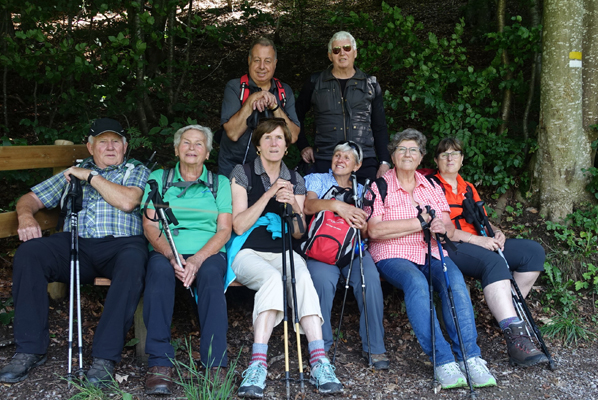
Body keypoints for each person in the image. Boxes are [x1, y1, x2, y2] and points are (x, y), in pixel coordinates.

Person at [0, 118, 149, 386]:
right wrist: (25, 217)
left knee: (134, 262)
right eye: (103, 141)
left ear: (125, 146)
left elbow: (128, 201)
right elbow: (31, 198)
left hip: (122, 244)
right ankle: (30, 349)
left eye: (116, 141)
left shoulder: (135, 170)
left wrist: (91, 177)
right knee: (30, 254)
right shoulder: (73, 171)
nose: (110, 147)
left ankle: (105, 357)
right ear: (90, 147)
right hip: (75, 243)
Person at [366, 129, 496, 389]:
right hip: (392, 254)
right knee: (416, 283)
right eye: (402, 149)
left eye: (413, 149)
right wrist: (417, 223)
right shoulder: (379, 186)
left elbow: (448, 226)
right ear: (392, 155)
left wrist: (438, 224)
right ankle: (443, 361)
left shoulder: (432, 186)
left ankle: (470, 357)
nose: (407, 154)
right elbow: (375, 230)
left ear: (422, 156)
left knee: (456, 283)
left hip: (432, 251)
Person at [228, 118, 342, 398]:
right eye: (267, 138)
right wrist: (269, 194)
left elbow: (300, 233)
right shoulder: (242, 173)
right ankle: (257, 365)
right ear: (258, 146)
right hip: (248, 252)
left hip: (285, 252)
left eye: (279, 138)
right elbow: (239, 225)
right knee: (272, 280)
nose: (274, 143)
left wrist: (293, 202)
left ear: (287, 146)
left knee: (303, 277)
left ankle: (319, 362)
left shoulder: (296, 179)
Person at [432, 137, 548, 367]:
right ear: (436, 160)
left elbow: (483, 220)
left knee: (532, 252)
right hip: (451, 247)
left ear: (462, 159)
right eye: (444, 154)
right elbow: (445, 231)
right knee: (493, 263)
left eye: (455, 153)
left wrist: (496, 233)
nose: (450, 158)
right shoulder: (431, 186)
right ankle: (515, 338)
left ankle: (506, 312)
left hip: (480, 240)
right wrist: (479, 240)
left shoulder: (468, 188)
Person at [141, 125, 233, 395]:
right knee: (157, 273)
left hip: (208, 251)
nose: (192, 148)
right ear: (176, 148)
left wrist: (198, 259)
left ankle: (215, 363)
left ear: (207, 153)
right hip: (166, 250)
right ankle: (159, 363)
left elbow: (225, 229)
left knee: (211, 277)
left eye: (199, 144)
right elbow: (149, 226)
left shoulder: (220, 183)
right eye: (186, 143)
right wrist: (171, 255)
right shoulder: (159, 178)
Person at [303, 141, 388, 369]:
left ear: (357, 165)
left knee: (369, 280)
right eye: (337, 155)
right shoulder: (317, 179)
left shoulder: (363, 190)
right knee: (321, 282)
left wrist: (361, 225)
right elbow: (308, 206)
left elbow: (366, 230)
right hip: (322, 249)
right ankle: (320, 347)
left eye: (347, 158)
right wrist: (337, 206)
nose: (340, 160)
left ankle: (375, 347)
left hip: (353, 250)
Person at [295, 31, 391, 183]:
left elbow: (379, 126)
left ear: (355, 52)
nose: (342, 53)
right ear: (330, 55)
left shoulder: (370, 84)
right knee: (325, 205)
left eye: (347, 48)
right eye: (336, 50)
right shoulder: (315, 83)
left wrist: (384, 161)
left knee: (365, 205)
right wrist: (303, 146)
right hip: (326, 159)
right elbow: (296, 115)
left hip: (363, 160)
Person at [218, 37, 300, 178]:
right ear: (249, 61)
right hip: (232, 167)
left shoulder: (284, 91)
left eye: (267, 61)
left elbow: (292, 137)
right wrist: (251, 100)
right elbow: (232, 133)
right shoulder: (235, 87)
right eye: (257, 60)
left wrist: (275, 106)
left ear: (275, 64)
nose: (262, 66)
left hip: (269, 170)